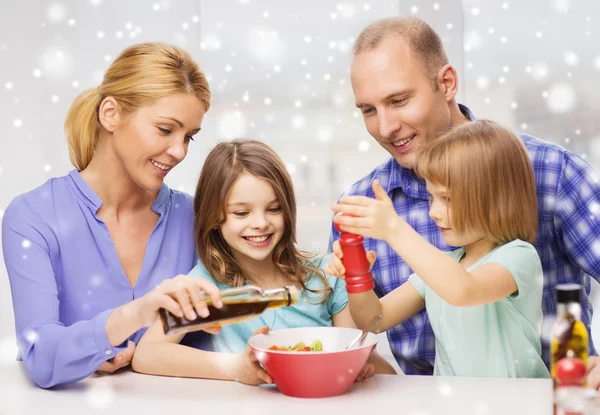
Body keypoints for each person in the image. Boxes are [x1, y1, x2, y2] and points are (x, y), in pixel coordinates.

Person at [329, 16, 600, 376]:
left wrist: (394, 229)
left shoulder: (551, 173)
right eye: (368, 110)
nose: (385, 127)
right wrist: (355, 271)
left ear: (447, 83)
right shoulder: (366, 206)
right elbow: (367, 324)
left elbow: (462, 289)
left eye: (399, 100)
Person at [1, 42, 224, 388]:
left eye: (189, 138)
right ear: (110, 114)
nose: (179, 151)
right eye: (165, 130)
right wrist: (132, 315)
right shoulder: (32, 217)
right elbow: (40, 356)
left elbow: (227, 333)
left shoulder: (195, 217)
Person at [132, 139, 396, 384]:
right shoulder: (206, 286)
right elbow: (148, 353)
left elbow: (355, 352)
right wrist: (236, 367)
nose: (260, 223)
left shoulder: (325, 274)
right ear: (214, 218)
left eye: (273, 208)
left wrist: (359, 368)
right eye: (242, 212)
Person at [327, 120, 549, 377]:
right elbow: (375, 320)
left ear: (497, 201)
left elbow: (463, 289)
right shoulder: (442, 268)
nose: (434, 212)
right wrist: (358, 278)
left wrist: (393, 228)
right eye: (432, 197)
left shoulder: (518, 257)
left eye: (448, 199)